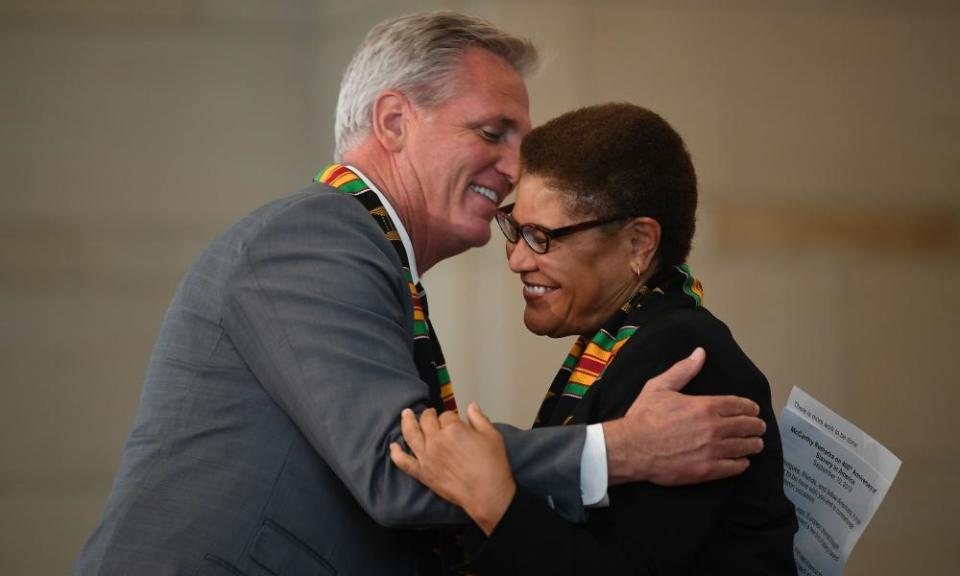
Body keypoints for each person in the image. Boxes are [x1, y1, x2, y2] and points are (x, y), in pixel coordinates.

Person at [72, 14, 767, 576]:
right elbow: (399, 468)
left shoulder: (357, 250)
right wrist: (616, 450)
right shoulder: (313, 239)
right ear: (396, 123)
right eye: (493, 133)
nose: (516, 170)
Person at [391, 103, 799, 574]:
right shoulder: (632, 338)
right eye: (515, 229)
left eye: (542, 236)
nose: (518, 259)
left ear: (638, 243)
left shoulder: (684, 360)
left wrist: (494, 500)